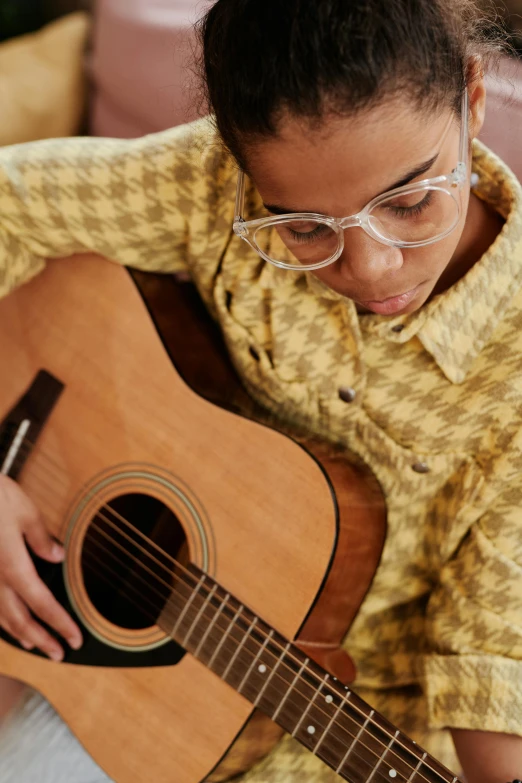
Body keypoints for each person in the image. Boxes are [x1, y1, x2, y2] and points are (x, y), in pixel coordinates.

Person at [0, 0, 520, 781]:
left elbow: (492, 666)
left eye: (410, 203)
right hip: (115, 669)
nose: (372, 268)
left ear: (473, 99)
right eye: (305, 228)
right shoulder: (209, 189)